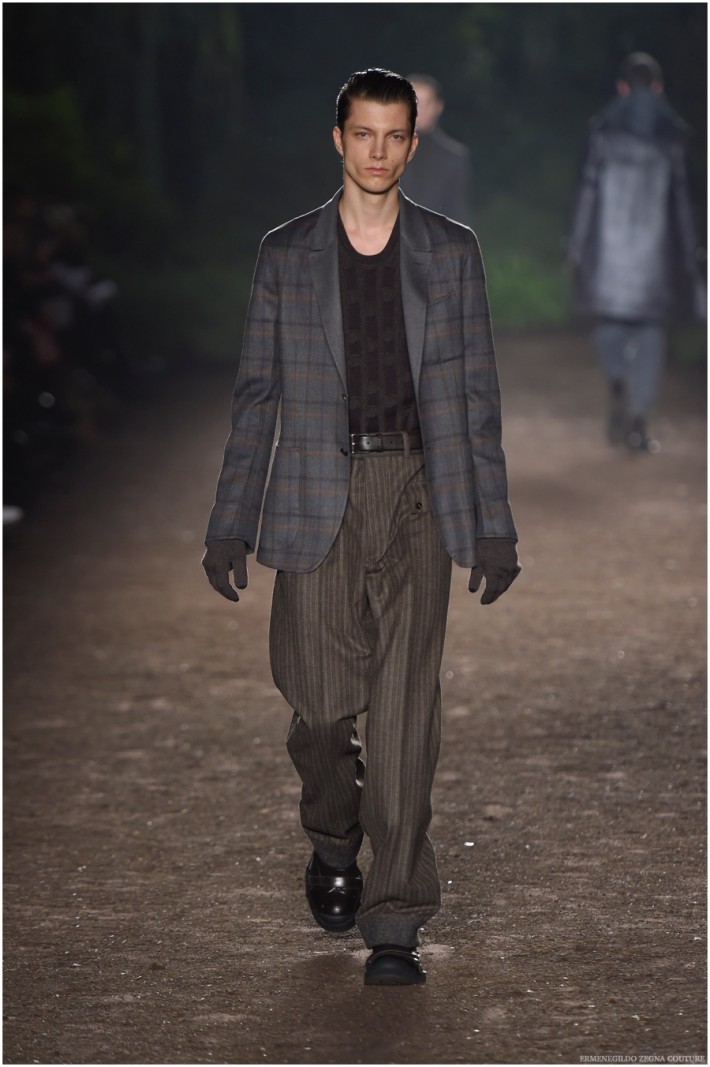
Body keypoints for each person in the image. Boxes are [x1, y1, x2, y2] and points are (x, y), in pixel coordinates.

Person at [202, 68, 519, 987]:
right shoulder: (286, 254)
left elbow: (476, 398)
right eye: (364, 133)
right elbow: (257, 396)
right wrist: (230, 521)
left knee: (407, 709)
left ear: (413, 144)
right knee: (318, 707)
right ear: (338, 139)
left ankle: (395, 915)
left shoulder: (451, 253)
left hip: (419, 490)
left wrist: (491, 526)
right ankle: (333, 832)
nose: (379, 151)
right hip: (314, 492)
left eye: (395, 135)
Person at [567, 52, 699, 453]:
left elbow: (587, 193)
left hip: (610, 256)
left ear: (622, 88)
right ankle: (638, 422)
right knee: (651, 337)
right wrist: (690, 255)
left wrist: (577, 247)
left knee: (610, 331)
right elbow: (683, 203)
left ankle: (618, 385)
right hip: (656, 257)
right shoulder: (673, 134)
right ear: (658, 88)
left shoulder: (602, 132)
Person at [399, 73, 472, 223]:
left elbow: (457, 214)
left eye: (427, 103)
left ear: (438, 107)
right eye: (414, 102)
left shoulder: (453, 157)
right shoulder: (384, 151)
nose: (420, 110)